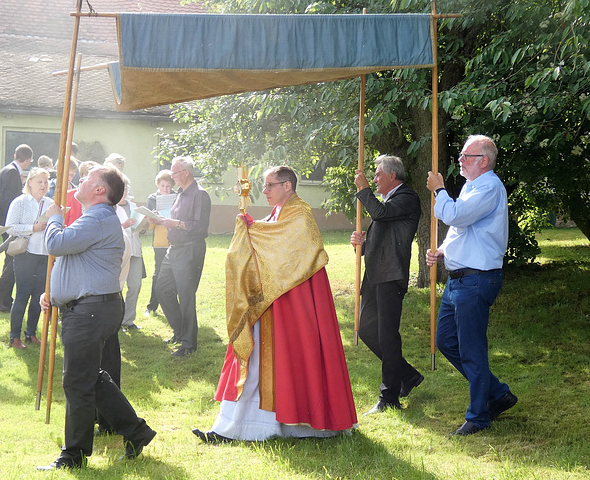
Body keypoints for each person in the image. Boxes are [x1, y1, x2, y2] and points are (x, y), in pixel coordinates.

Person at [192, 166, 357, 443]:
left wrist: (252, 230)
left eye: (270, 185)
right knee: (257, 360)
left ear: (288, 186)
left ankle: (259, 427)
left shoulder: (300, 213)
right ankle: (237, 426)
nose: (265, 191)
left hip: (293, 303)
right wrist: (250, 228)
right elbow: (267, 240)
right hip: (273, 302)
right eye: (264, 186)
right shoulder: (278, 213)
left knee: (279, 360)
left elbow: (285, 249)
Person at [37, 165, 156, 470]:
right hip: (91, 307)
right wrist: (54, 291)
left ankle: (73, 455)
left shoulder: (99, 217)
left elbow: (56, 244)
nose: (81, 180)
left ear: (100, 190)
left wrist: (54, 216)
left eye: (89, 178)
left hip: (90, 310)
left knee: (77, 382)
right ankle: (136, 431)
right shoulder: (96, 218)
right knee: (89, 377)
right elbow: (76, 260)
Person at [426, 134, 517, 436]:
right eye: (462, 155)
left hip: (476, 279)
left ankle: (478, 417)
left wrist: (439, 190)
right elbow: (458, 230)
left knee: (471, 350)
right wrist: (441, 250)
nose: (460, 160)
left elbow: (457, 215)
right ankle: (498, 393)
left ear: (484, 161)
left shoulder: (490, 187)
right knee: (446, 341)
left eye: (467, 156)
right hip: (459, 280)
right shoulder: (471, 186)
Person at [350, 155, 423, 415]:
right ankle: (408, 375)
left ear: (393, 176)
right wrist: (362, 244)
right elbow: (382, 236)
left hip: (390, 276)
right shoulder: (387, 201)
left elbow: (380, 214)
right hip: (374, 275)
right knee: (366, 329)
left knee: (387, 335)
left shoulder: (407, 197)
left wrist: (363, 190)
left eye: (378, 174)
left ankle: (389, 395)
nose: (374, 178)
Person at [156, 156, 211, 357]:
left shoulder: (200, 195)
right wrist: (163, 220)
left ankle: (189, 345)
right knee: (162, 289)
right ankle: (179, 332)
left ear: (186, 173)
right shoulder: (179, 194)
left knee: (186, 296)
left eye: (174, 173)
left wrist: (177, 223)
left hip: (190, 249)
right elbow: (176, 220)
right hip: (174, 249)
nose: (172, 177)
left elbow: (200, 227)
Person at [5, 168, 50, 348]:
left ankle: (31, 333)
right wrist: (33, 228)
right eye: (40, 181)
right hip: (25, 253)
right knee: (22, 295)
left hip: (45, 254)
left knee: (39, 296)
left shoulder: (50, 203)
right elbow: (10, 228)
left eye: (46, 182)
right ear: (29, 182)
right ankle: (14, 336)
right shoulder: (20, 202)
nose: (43, 185)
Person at [0, 144, 33, 312]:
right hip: (8, 224)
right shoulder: (11, 172)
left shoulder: (7, 169)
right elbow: (8, 201)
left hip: (5, 223)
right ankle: (0, 297)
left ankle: (4, 298)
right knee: (12, 260)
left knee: (10, 260)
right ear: (28, 160)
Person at [144, 170, 174, 316]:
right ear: (158, 185)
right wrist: (153, 218)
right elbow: (148, 222)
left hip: (174, 241)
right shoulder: (152, 198)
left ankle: (172, 306)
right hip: (160, 241)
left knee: (174, 274)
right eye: (163, 186)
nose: (165, 189)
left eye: (168, 186)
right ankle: (152, 306)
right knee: (158, 273)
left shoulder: (177, 196)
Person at [116, 178, 145, 331]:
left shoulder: (134, 207)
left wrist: (143, 224)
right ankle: (116, 321)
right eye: (121, 190)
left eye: (126, 190)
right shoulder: (111, 208)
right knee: (117, 287)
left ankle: (128, 320)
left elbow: (139, 229)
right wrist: (123, 225)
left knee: (135, 285)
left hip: (135, 250)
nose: (124, 193)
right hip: (119, 252)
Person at [64, 161, 98, 226]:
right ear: (82, 176)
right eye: (88, 175)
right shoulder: (70, 195)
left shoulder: (99, 196)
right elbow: (64, 221)